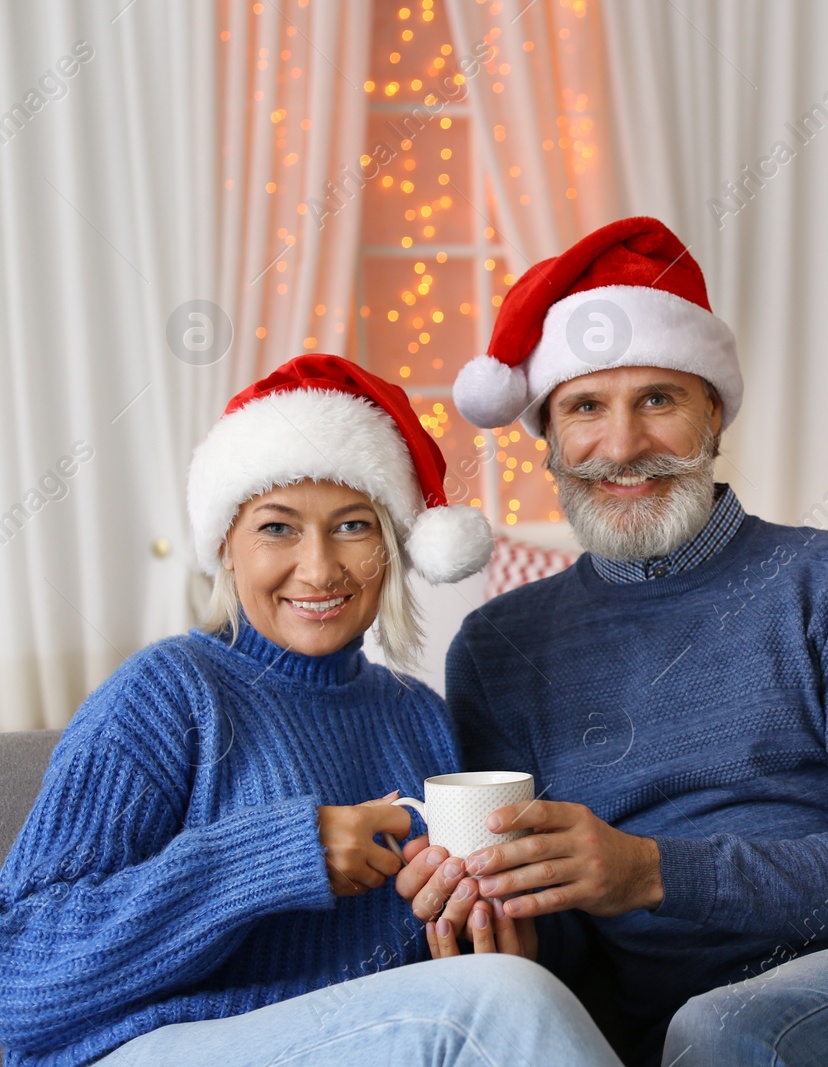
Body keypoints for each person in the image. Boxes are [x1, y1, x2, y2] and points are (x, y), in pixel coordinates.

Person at [398, 217, 828, 1065]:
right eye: (586, 406)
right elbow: (574, 947)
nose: (622, 446)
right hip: (690, 1031)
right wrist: (501, 927)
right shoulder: (497, 647)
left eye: (657, 399)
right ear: (548, 442)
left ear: (713, 413)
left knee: (722, 1029)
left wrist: (651, 869)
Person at [0, 356, 621, 1067]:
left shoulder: (419, 717)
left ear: (391, 549)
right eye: (277, 528)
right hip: (143, 1047)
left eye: (353, 525)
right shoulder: (167, 693)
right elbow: (19, 979)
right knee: (495, 1004)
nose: (321, 568)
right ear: (226, 547)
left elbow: (439, 981)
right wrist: (279, 855)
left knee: (503, 987)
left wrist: (495, 932)